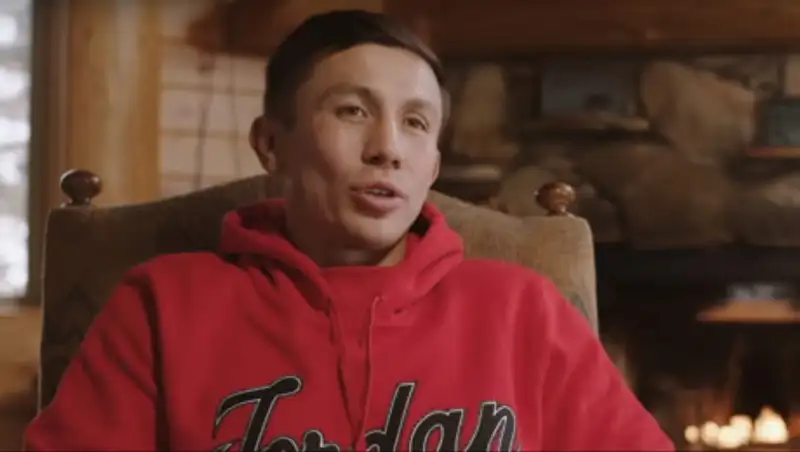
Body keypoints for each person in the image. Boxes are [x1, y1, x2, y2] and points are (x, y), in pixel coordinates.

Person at [24, 10, 674, 452]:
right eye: (353, 111)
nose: (387, 148)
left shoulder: (522, 310)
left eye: (416, 123)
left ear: (433, 166)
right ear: (271, 143)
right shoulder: (162, 305)